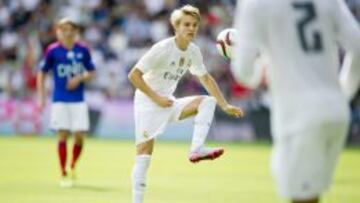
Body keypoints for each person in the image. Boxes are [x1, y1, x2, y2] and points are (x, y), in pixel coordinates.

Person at [231, 0, 360, 203]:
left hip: (298, 117)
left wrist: (260, 71)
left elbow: (243, 71)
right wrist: (344, 92)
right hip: (336, 112)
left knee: (301, 197)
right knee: (311, 196)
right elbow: (358, 45)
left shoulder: (254, 4)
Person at [128, 5, 243, 203]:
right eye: (186, 25)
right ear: (176, 27)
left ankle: (196, 149)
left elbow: (205, 78)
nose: (191, 28)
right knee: (144, 156)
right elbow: (134, 75)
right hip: (147, 103)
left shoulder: (193, 51)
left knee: (207, 102)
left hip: (168, 101)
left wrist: (225, 105)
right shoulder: (162, 48)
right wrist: (156, 98)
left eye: (195, 25)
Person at [37, 17, 96, 187]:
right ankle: (63, 171)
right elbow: (42, 72)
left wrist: (79, 78)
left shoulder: (83, 50)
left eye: (70, 29)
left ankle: (72, 165)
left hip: (78, 100)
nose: (67, 32)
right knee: (62, 135)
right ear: (58, 32)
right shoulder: (53, 51)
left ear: (76, 32)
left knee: (79, 137)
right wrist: (41, 97)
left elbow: (91, 71)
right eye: (63, 29)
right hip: (60, 100)